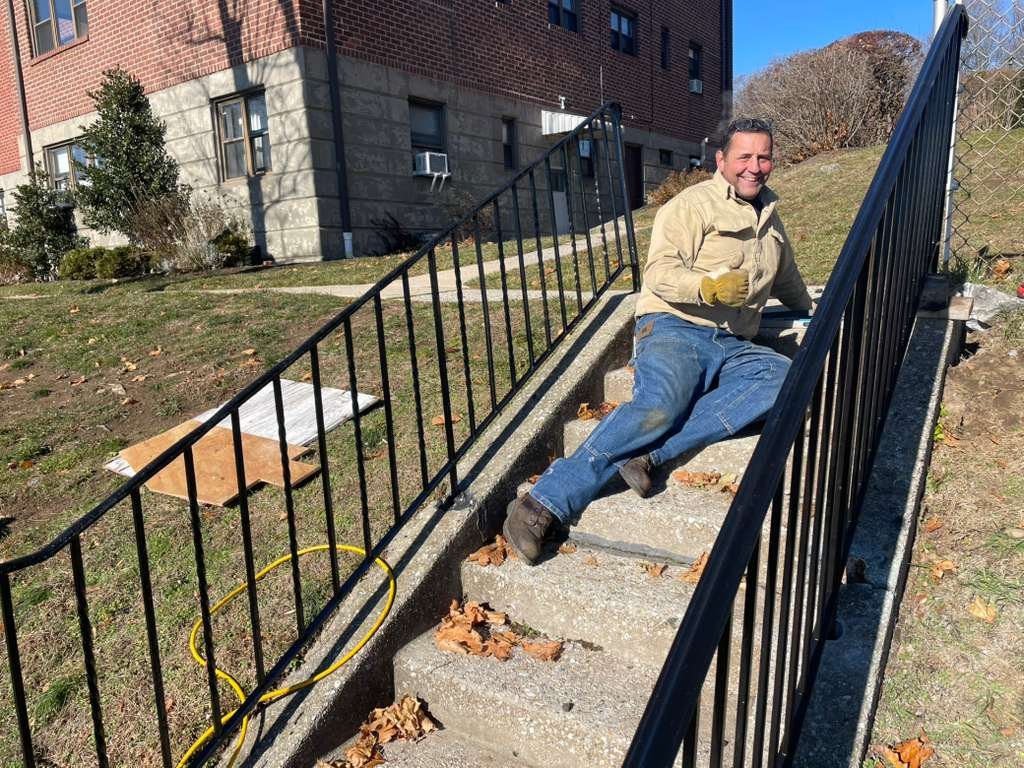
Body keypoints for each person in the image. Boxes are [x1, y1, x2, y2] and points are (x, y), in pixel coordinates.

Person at [503, 117, 813, 565]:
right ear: (722, 159)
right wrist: (707, 287)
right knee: (661, 407)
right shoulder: (692, 206)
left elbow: (788, 279)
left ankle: (653, 453)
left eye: (763, 157)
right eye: (744, 156)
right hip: (675, 326)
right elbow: (659, 272)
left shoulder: (770, 217)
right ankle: (542, 503)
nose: (755, 166)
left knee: (783, 378)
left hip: (733, 342)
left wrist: (815, 310)